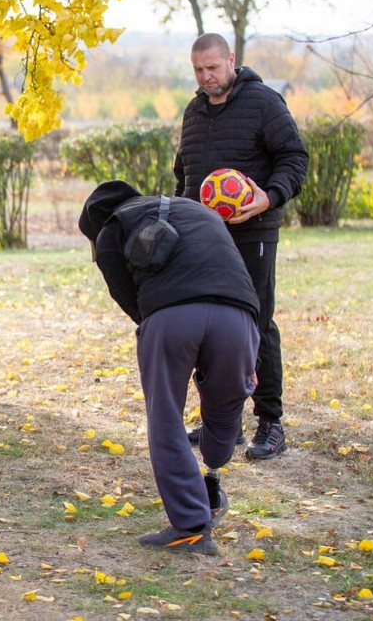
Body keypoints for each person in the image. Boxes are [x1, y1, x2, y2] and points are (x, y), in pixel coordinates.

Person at [79, 180, 259, 555]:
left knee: (166, 419)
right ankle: (212, 482)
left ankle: (192, 527)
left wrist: (158, 329)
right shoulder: (193, 209)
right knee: (225, 405)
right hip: (239, 316)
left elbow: (129, 298)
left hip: (173, 317)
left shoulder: (113, 226)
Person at [174, 33, 308, 460]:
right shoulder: (194, 112)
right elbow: (184, 176)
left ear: (231, 60)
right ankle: (222, 423)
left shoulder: (264, 102)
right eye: (198, 70)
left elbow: (295, 158)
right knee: (208, 325)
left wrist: (267, 198)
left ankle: (270, 423)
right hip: (204, 237)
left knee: (256, 324)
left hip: (254, 232)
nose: (205, 77)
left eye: (212, 68)